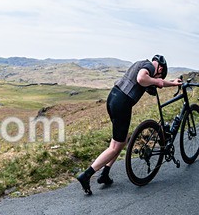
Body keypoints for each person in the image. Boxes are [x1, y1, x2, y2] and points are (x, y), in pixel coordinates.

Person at [76, 55, 182, 195]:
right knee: (115, 147)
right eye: (160, 75)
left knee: (120, 141)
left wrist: (170, 83)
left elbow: (145, 82)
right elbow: (141, 79)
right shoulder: (149, 67)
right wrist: (157, 81)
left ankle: (105, 173)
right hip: (122, 103)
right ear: (160, 68)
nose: (158, 77)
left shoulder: (140, 63)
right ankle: (86, 175)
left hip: (113, 97)